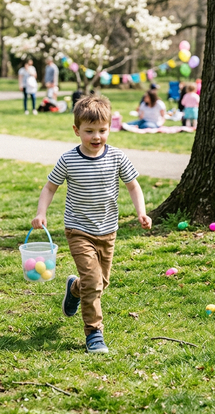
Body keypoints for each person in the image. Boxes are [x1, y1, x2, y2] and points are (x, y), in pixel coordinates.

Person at [31, 95, 151, 354]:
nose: (96, 137)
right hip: (78, 229)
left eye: (102, 130)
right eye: (89, 131)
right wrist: (41, 213)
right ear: (77, 130)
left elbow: (133, 186)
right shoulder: (68, 160)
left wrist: (141, 212)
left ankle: (74, 289)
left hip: (108, 230)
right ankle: (94, 334)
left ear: (110, 128)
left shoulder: (117, 157)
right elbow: (50, 187)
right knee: (94, 282)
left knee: (100, 282)